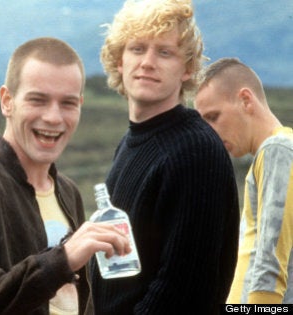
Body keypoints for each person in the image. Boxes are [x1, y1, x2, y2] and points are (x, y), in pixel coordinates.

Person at [0, 37, 133, 315]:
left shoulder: (68, 191)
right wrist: (60, 262)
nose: (53, 117)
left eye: (68, 103)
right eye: (38, 100)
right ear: (7, 101)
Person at [87, 0, 240, 314]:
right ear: (119, 60)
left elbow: (182, 291)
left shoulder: (195, 151)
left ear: (187, 69)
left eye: (164, 52)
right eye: (137, 49)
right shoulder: (132, 142)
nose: (147, 62)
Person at [194, 57, 293, 304]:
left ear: (246, 100)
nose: (209, 133)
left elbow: (270, 259)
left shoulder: (277, 149)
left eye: (213, 117)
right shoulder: (271, 152)